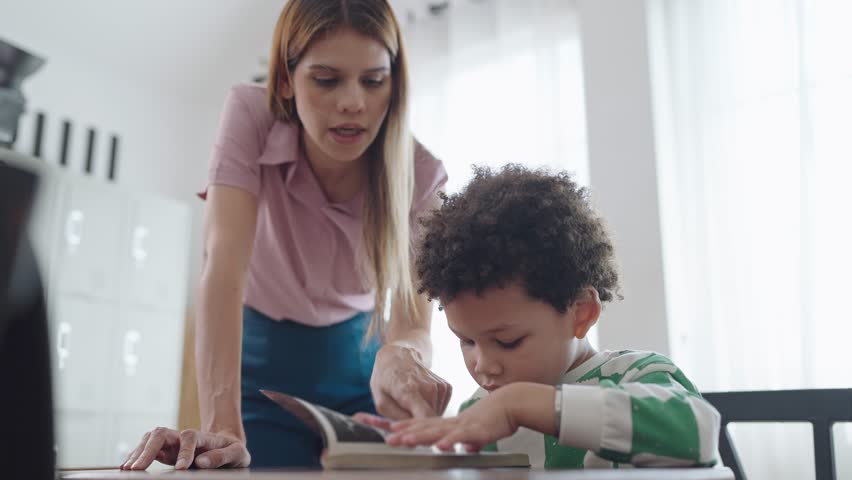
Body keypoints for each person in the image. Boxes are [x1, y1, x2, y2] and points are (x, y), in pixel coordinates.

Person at [121, 0, 450, 470]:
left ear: (394, 85)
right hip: (258, 360)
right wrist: (222, 424)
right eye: (326, 79)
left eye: (373, 81)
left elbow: (414, 322)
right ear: (284, 80)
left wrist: (401, 356)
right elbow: (222, 268)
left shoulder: (422, 174)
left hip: (361, 360)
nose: (353, 102)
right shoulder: (249, 115)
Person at [373, 164, 721, 468]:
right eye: (466, 341)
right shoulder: (481, 412)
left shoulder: (638, 375)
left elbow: (698, 434)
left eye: (508, 342)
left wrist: (523, 404)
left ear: (581, 312)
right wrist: (423, 447)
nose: (483, 365)